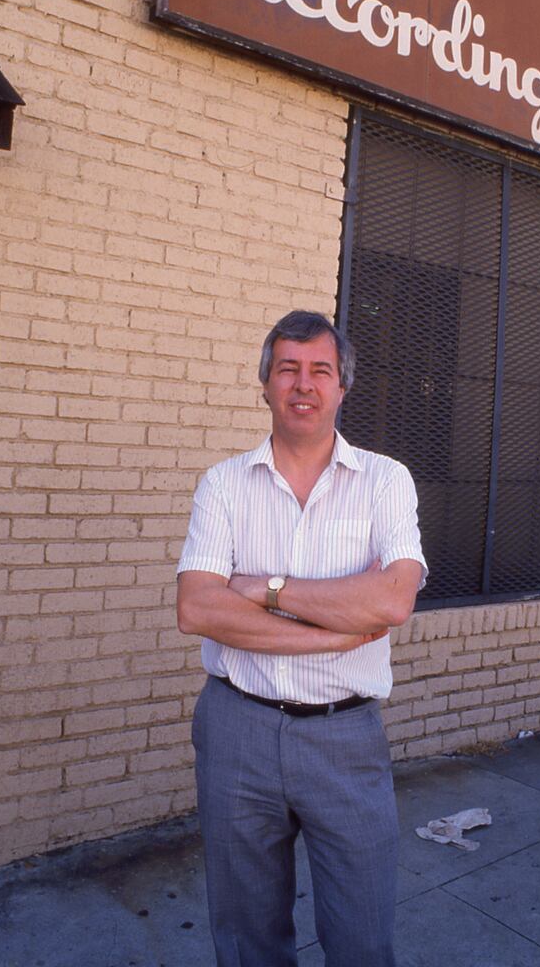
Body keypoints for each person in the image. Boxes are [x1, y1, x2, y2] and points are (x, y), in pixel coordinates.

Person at [176, 309, 426, 967]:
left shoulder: (385, 481)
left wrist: (265, 589)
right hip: (237, 731)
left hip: (344, 739)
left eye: (321, 370)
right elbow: (198, 608)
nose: (304, 384)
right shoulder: (223, 485)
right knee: (247, 937)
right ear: (264, 385)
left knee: (362, 941)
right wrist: (333, 634)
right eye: (288, 368)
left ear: (343, 387)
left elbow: (392, 600)